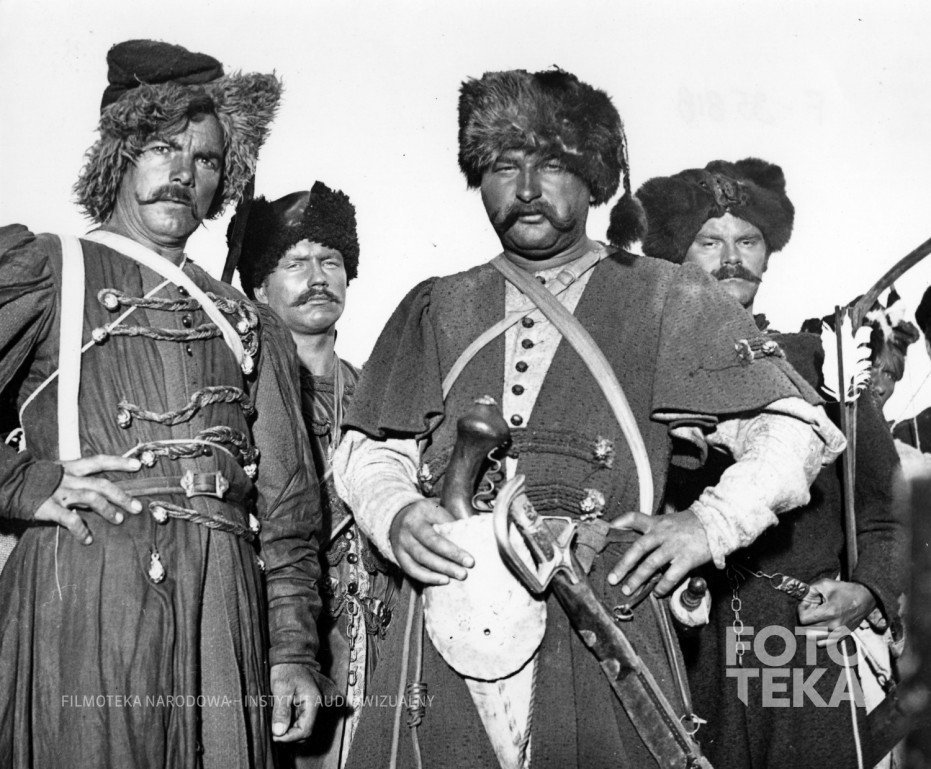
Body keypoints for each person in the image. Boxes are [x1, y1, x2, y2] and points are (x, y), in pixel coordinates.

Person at [332, 69, 845, 769]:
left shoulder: (668, 297)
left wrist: (710, 524)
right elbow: (369, 449)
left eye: (551, 164)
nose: (525, 189)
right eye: (503, 166)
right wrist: (394, 512)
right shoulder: (436, 304)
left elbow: (795, 427)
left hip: (603, 618)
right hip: (449, 609)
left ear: (593, 176)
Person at [0, 40, 327, 769]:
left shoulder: (251, 323)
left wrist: (291, 650)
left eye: (205, 158)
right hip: (89, 588)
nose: (182, 173)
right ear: (118, 155)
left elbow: (289, 509)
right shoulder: (50, 268)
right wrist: (25, 482)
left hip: (223, 609)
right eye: (160, 148)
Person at [626, 157, 905, 769]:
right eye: (710, 241)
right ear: (676, 256)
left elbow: (887, 514)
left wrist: (868, 591)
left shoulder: (818, 362)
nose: (732, 259)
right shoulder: (639, 369)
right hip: (683, 643)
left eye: (748, 241)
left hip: (795, 640)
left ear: (768, 253)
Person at [234, 183, 398, 768]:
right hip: (272, 637)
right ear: (259, 287)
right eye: (295, 263)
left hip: (373, 642)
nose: (318, 277)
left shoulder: (379, 392)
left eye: (330, 260)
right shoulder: (233, 392)